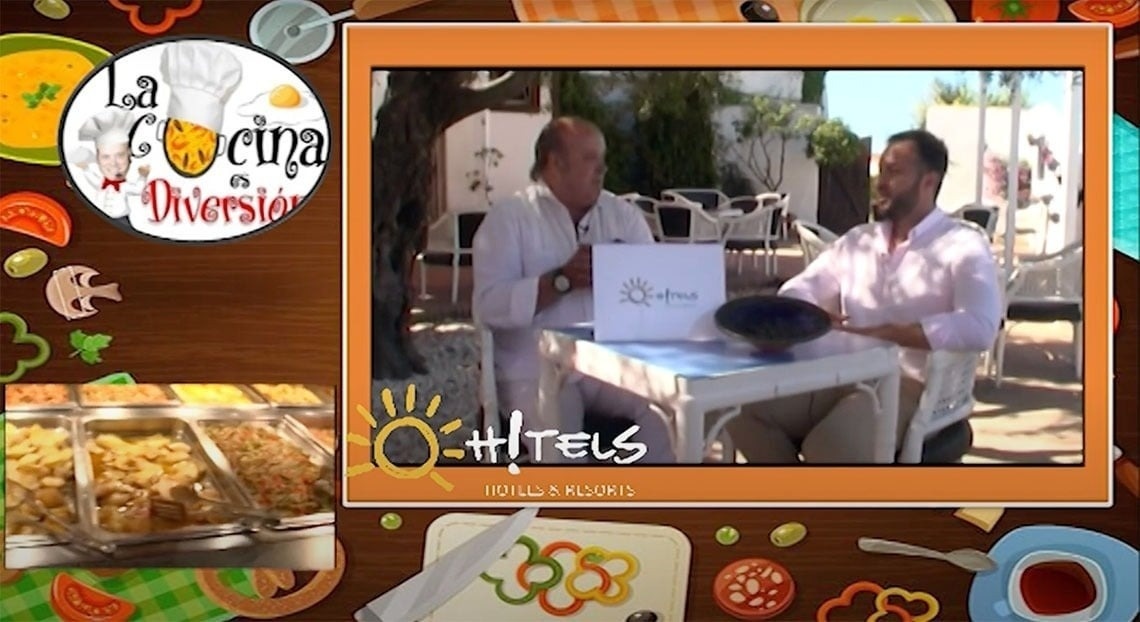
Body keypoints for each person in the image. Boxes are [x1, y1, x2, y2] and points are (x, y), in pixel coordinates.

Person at [728, 129, 1003, 463]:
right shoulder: (859, 240)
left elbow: (979, 326)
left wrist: (887, 332)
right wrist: (804, 314)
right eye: (881, 171)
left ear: (929, 182)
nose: (882, 182)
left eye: (894, 172)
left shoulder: (962, 245)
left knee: (831, 445)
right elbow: (801, 288)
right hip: (836, 374)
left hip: (910, 387)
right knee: (738, 409)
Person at [472, 116, 676, 464]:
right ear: (554, 163)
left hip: (610, 363)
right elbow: (489, 307)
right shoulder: (510, 218)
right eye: (590, 159)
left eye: (603, 159)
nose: (602, 169)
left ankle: (645, 505)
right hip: (534, 368)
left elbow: (656, 289)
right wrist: (559, 282)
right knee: (562, 443)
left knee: (668, 414)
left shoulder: (621, 216)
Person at [70, 107, 150, 221]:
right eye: (106, 157)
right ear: (97, 158)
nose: (113, 163)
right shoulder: (101, 182)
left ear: (129, 155)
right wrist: (83, 172)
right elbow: (92, 180)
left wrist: (143, 176)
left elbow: (138, 189)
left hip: (121, 219)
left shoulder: (124, 186)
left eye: (120, 155)